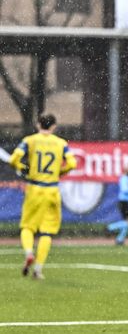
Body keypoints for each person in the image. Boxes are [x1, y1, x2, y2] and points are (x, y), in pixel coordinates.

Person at [9, 114, 77, 280]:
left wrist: (22, 168)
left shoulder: (30, 140)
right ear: (53, 126)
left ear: (38, 124)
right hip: (52, 190)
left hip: (35, 188)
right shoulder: (60, 143)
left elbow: (14, 158)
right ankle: (38, 269)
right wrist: (60, 172)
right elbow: (72, 163)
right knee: (47, 232)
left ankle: (28, 252)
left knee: (27, 227)